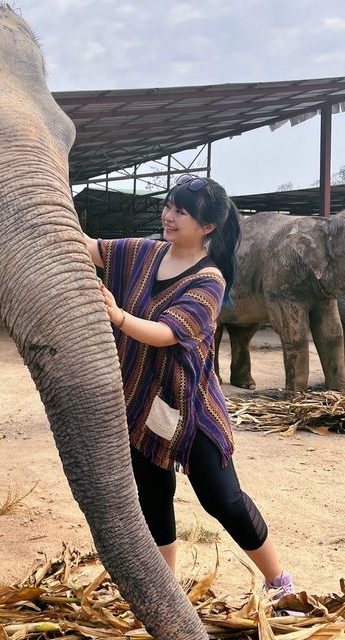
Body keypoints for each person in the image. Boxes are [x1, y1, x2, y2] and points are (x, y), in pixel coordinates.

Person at [83, 174, 294, 597]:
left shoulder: (209, 280)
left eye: (182, 211)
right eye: (169, 206)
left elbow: (165, 332)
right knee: (153, 494)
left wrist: (118, 316)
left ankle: (280, 582)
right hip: (142, 404)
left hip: (190, 408)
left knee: (223, 499)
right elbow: (90, 247)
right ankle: (166, 589)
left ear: (208, 227)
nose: (169, 216)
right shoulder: (143, 253)